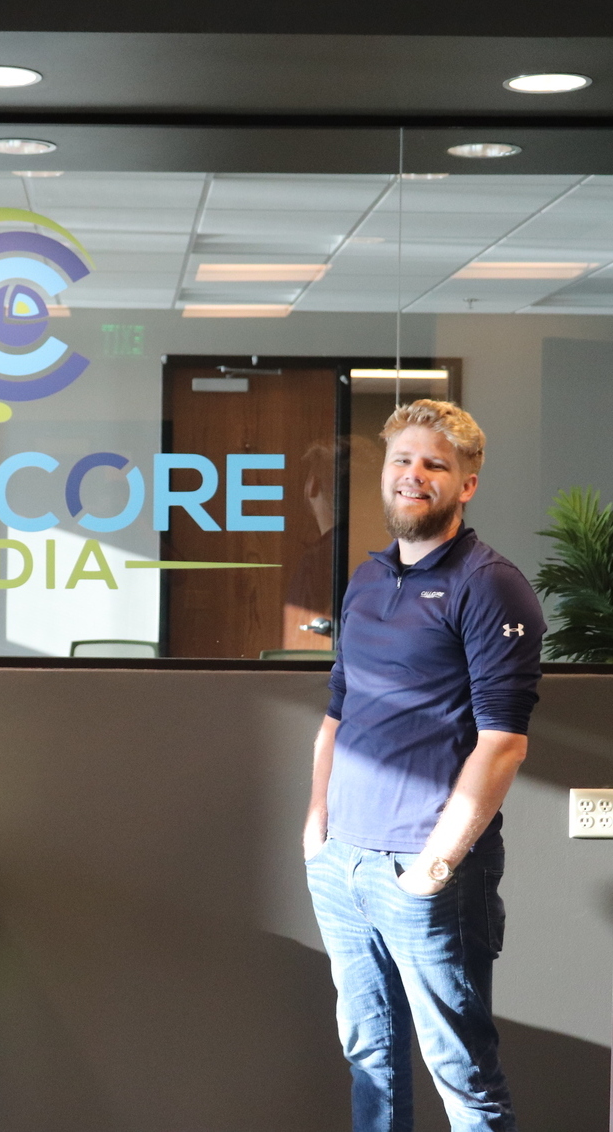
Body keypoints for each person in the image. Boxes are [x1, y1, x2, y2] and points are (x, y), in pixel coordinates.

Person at [303, 399, 544, 1132]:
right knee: (369, 1061)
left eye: (434, 464)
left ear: (466, 484)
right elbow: (338, 711)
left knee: (463, 1078)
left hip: (427, 872)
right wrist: (317, 828)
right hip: (343, 865)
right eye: (401, 460)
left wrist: (435, 867)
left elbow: (503, 742)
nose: (414, 475)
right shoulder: (368, 578)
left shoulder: (489, 583)